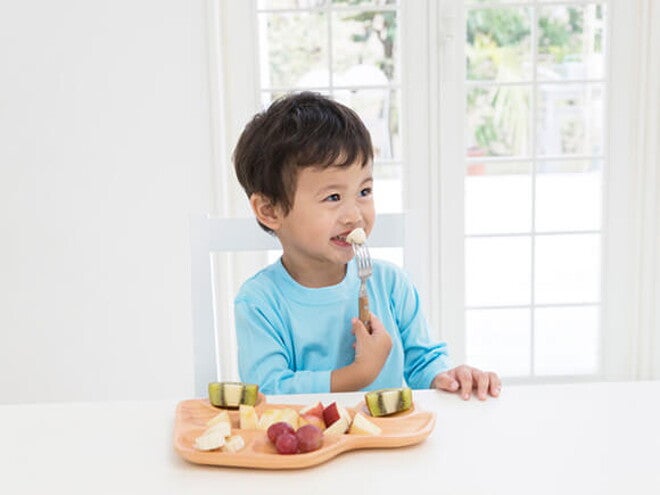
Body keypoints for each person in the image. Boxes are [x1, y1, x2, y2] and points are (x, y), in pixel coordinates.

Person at [232, 91, 501, 400]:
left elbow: (423, 362)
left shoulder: (390, 284)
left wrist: (449, 377)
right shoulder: (259, 302)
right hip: (307, 446)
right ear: (270, 211)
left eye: (364, 190)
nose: (354, 215)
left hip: (388, 443)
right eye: (333, 197)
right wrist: (358, 375)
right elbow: (271, 391)